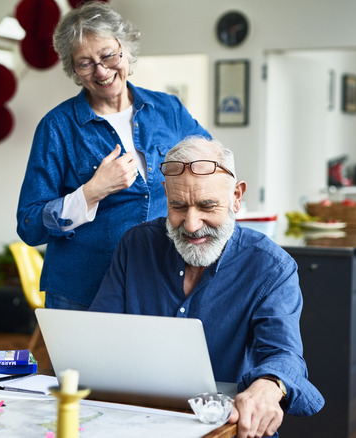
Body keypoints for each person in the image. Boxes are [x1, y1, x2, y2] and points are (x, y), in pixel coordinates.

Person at [89, 136, 324, 437]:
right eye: (178, 206)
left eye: (207, 205)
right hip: (139, 420)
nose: (190, 224)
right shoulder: (136, 245)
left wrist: (269, 386)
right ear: (166, 196)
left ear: (237, 197)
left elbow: (284, 354)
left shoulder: (271, 267)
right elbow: (98, 334)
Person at [15, 1, 211, 310]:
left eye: (108, 55)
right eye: (85, 63)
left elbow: (211, 169)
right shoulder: (57, 127)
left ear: (126, 49)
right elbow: (29, 224)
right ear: (73, 70)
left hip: (162, 285)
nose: (102, 71)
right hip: (83, 291)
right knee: (80, 362)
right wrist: (92, 192)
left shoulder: (168, 110)